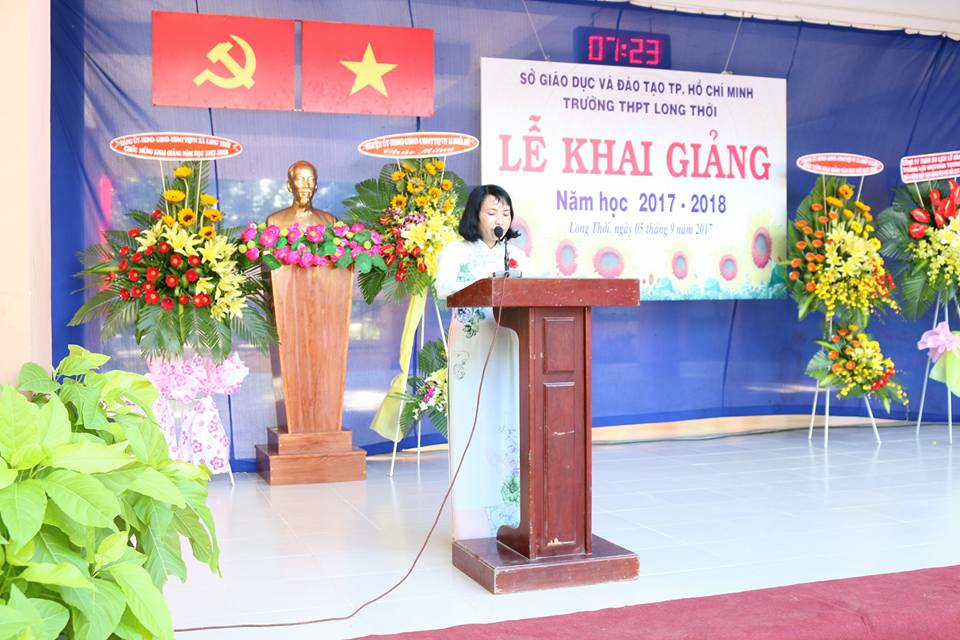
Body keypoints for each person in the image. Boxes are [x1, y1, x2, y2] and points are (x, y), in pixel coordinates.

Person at [434, 185, 531, 540]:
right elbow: (444, 288)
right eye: (492, 212)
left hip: (507, 343)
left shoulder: (516, 257)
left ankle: (510, 516)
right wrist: (484, 282)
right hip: (472, 346)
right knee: (472, 424)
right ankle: (473, 525)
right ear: (475, 215)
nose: (500, 219)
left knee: (508, 418)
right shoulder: (455, 252)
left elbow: (539, 287)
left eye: (505, 213)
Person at [265, 160, 335, 228]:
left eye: (311, 180)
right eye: (300, 180)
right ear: (289, 186)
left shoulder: (330, 221)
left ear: (316, 186)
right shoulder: (274, 221)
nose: (306, 186)